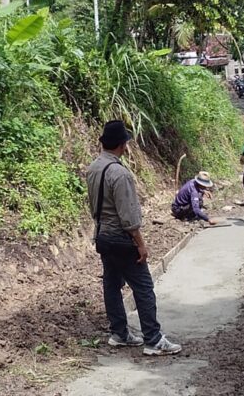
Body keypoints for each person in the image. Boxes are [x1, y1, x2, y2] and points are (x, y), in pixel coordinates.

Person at [86, 120, 182, 356]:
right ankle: (153, 339)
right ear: (123, 144)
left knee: (111, 284)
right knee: (144, 287)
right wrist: (141, 244)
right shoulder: (120, 174)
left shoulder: (94, 167)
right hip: (121, 238)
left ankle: (119, 333)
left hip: (102, 236)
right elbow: (128, 217)